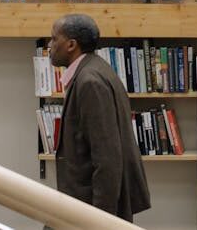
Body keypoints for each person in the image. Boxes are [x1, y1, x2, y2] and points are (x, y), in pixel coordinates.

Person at [49, 14, 150, 222]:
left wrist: (100, 220)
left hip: (91, 209)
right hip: (87, 205)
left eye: (54, 39)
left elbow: (107, 158)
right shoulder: (94, 69)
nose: (50, 45)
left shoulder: (89, 82)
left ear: (71, 45)